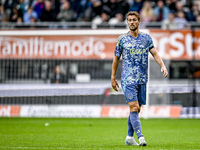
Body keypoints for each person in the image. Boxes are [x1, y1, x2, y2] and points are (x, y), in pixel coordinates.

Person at [111, 11, 168, 146]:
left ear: (139, 21)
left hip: (142, 79)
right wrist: (113, 77)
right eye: (129, 20)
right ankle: (141, 137)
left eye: (134, 20)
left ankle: (129, 137)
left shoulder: (146, 39)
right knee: (134, 107)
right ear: (127, 22)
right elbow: (116, 59)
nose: (131, 22)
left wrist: (163, 65)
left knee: (136, 110)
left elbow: (154, 53)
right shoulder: (122, 39)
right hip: (128, 79)